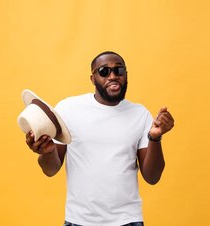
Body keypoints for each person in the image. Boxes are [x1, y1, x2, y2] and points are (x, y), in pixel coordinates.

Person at [24, 51, 175, 226]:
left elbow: (152, 177)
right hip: (78, 220)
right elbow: (50, 170)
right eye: (104, 71)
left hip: (127, 220)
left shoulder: (140, 114)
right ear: (93, 78)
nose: (113, 76)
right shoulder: (68, 109)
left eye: (119, 71)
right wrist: (47, 152)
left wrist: (155, 138)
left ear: (126, 75)